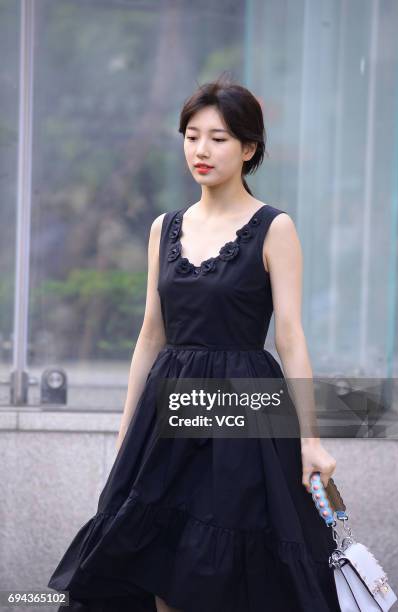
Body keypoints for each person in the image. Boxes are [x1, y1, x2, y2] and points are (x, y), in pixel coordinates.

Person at [48, 76, 340, 612]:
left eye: (220, 138)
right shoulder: (166, 228)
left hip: (243, 417)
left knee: (214, 571)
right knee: (154, 566)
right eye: (191, 135)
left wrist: (310, 439)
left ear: (249, 148)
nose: (201, 150)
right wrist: (126, 429)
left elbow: (292, 337)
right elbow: (151, 335)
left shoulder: (275, 228)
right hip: (167, 419)